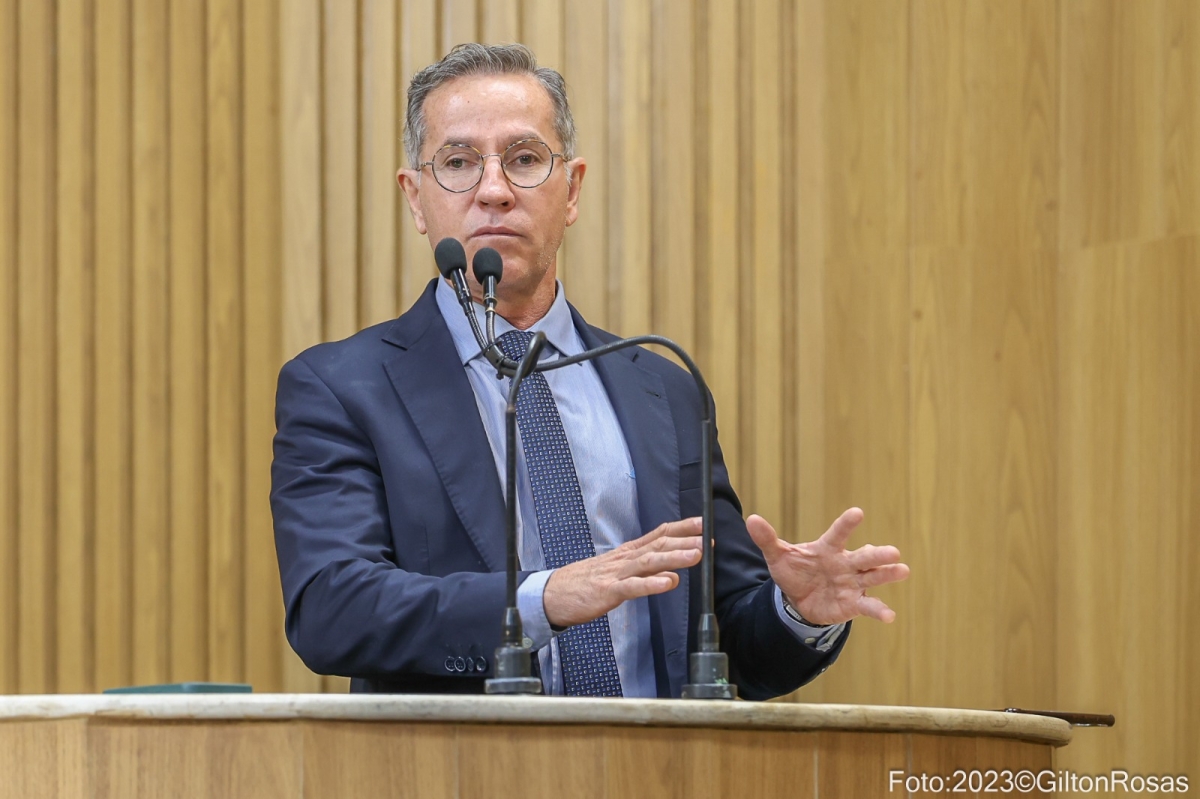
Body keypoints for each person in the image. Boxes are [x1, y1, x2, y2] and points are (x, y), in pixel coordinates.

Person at [270, 43, 909, 700]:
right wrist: (542, 599)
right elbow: (331, 608)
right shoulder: (342, 389)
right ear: (415, 197)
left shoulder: (666, 390)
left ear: (570, 189)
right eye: (459, 163)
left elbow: (728, 651)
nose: (494, 190)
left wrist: (795, 611)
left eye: (523, 159)